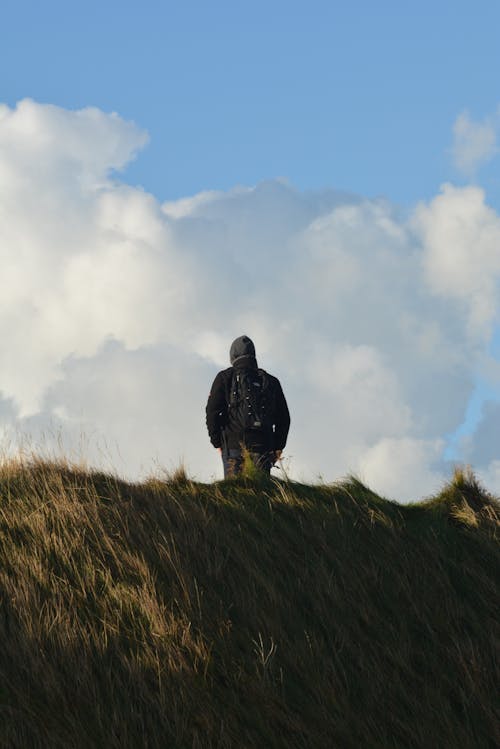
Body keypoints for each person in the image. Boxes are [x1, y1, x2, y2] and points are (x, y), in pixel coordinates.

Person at [206, 335, 290, 477]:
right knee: (260, 494)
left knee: (235, 494)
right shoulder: (271, 381)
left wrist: (217, 442)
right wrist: (277, 447)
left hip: (233, 446)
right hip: (263, 447)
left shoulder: (225, 377)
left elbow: (212, 412)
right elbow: (284, 418)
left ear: (233, 356)